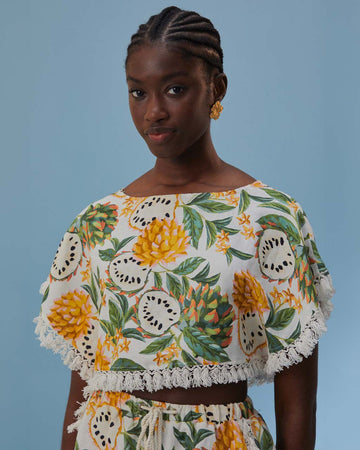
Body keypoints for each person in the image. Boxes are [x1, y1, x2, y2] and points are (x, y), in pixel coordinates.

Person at [35, 6, 335, 450]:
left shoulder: (269, 216)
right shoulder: (97, 223)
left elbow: (297, 396)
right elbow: (81, 390)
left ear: (216, 88)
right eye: (138, 93)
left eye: (175, 89)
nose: (153, 112)